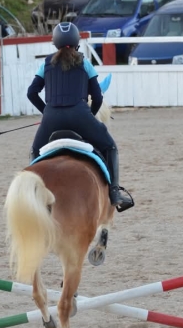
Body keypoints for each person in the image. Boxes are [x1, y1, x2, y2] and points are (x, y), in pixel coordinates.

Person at [26, 22, 133, 210]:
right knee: (110, 146)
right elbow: (97, 96)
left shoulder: (46, 64)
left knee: (35, 151)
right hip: (80, 116)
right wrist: (89, 116)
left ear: (55, 43)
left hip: (51, 118)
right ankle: (115, 193)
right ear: (76, 43)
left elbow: (31, 93)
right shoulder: (85, 63)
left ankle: (33, 193)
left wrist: (47, 112)